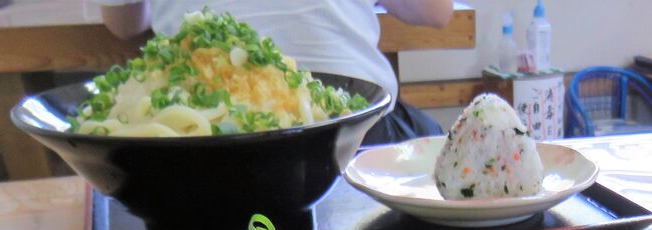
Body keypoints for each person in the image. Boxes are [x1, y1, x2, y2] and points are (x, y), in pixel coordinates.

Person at [99, 0, 449, 144]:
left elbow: (123, 23)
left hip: (188, 141)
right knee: (430, 141)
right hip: (352, 127)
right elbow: (435, 12)